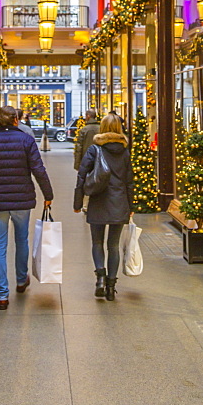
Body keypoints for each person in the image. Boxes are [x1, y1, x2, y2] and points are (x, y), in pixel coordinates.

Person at [0, 105, 54, 309]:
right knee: (21, 240)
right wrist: (48, 194)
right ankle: (20, 280)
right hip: (21, 199)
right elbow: (38, 169)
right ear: (16, 120)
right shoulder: (26, 140)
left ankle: (2, 295)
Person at [73, 112, 133, 301]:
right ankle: (111, 286)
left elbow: (82, 175)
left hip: (98, 200)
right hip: (119, 201)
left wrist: (77, 202)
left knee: (97, 242)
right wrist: (131, 205)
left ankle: (100, 277)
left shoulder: (94, 150)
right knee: (113, 245)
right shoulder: (124, 151)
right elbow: (129, 180)